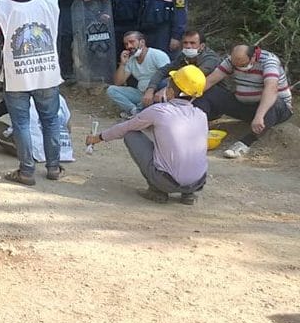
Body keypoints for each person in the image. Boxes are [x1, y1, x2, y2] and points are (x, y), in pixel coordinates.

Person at [0, 0, 64, 186]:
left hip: (17, 75)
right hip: (47, 70)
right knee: (50, 121)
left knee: (20, 123)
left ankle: (27, 171)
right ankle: (53, 167)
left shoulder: (3, 4)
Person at [87, 65, 208, 205]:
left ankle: (157, 190)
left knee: (130, 134)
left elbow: (126, 127)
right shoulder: (201, 115)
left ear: (169, 92)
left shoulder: (159, 111)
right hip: (198, 182)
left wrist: (98, 138)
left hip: (166, 182)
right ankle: (188, 194)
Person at [195, 45, 293, 159]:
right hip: (244, 105)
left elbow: (271, 89)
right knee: (209, 92)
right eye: (235, 65)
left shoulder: (269, 62)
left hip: (275, 108)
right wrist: (190, 96)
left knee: (275, 102)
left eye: (242, 65)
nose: (239, 68)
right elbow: (211, 80)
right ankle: (197, 128)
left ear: (252, 58)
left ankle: (245, 143)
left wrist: (259, 115)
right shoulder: (231, 61)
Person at [0, 94, 75, 164]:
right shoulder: (58, 96)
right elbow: (69, 128)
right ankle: (53, 167)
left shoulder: (21, 96)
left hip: (37, 152)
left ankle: (26, 158)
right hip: (63, 151)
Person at [143, 30, 220, 106]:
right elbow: (163, 70)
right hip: (187, 90)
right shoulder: (183, 55)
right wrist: (150, 89)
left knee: (165, 87)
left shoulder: (210, 59)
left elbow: (192, 78)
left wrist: (167, 89)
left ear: (202, 46)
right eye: (185, 43)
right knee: (160, 84)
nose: (188, 46)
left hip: (208, 92)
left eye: (192, 43)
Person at [106, 31, 171, 118]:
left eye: (132, 42)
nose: (129, 46)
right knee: (111, 90)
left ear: (142, 42)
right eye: (126, 44)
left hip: (157, 93)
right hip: (141, 94)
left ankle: (142, 111)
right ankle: (134, 111)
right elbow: (118, 82)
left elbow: (169, 77)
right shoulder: (131, 59)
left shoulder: (157, 55)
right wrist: (122, 64)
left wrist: (154, 92)